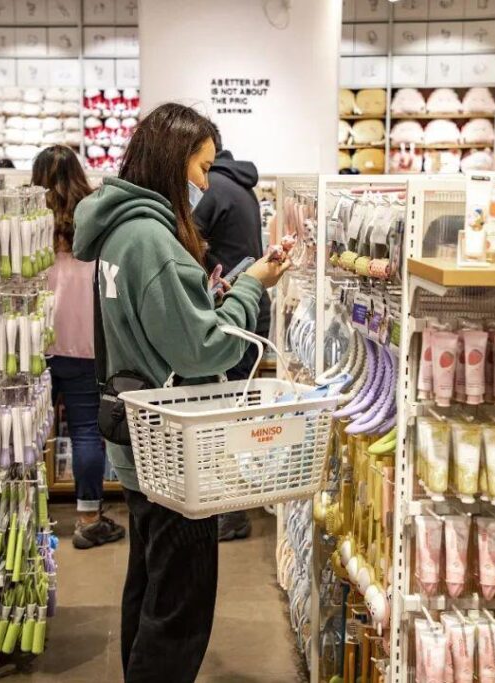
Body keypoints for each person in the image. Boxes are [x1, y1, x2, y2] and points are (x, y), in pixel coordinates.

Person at [72, 103, 289, 683]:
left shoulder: (121, 232)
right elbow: (203, 349)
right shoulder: (152, 240)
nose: (205, 184)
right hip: (175, 449)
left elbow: (165, 328)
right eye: (201, 168)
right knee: (180, 605)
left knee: (149, 585)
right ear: (174, 163)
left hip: (140, 438)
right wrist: (250, 288)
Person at [32, 145, 125, 549]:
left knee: (29, 432)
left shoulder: (27, 219)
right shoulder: (94, 215)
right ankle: (88, 518)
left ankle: (23, 515)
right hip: (86, 342)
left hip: (33, 344)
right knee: (88, 430)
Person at [193, 125, 267, 542]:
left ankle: (230, 509)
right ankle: (230, 505)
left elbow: (182, 240)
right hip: (248, 305)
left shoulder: (213, 188)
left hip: (237, 309)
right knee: (234, 408)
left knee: (226, 412)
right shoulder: (238, 184)